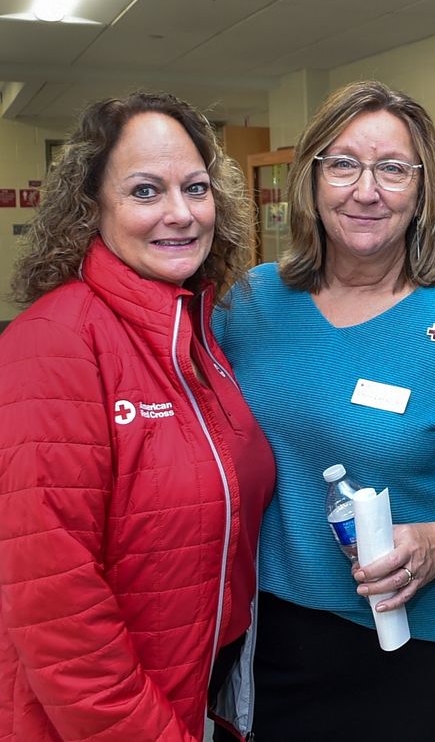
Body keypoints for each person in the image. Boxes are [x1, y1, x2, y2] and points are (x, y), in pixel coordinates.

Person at [213, 80, 435, 741]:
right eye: (344, 163)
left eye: (393, 169)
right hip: (279, 639)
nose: (367, 190)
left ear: (422, 187)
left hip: (430, 643)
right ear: (312, 178)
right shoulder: (250, 306)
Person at [0, 92, 275, 741]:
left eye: (196, 187)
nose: (180, 214)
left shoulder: (198, 335)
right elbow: (58, 617)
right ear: (92, 208)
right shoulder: (53, 344)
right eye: (146, 190)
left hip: (201, 691)